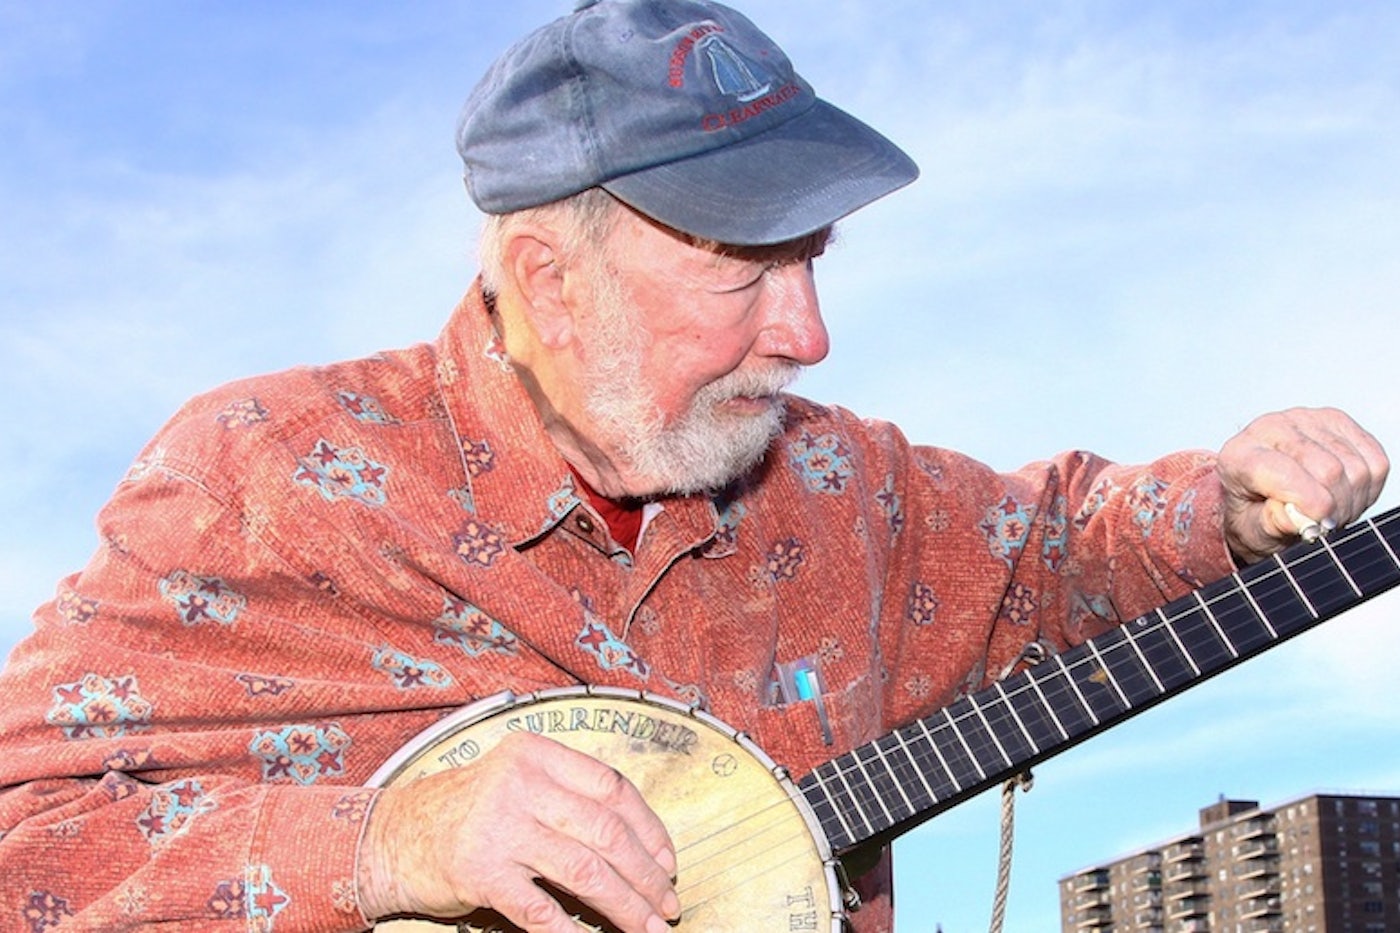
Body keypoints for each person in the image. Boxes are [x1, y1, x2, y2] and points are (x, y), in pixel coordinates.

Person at [0, 1, 1387, 932]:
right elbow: (24, 845)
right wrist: (382, 844)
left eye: (814, 260)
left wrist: (1226, 507)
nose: (809, 334)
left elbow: (1061, 550)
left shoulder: (843, 491)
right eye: (744, 271)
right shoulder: (267, 478)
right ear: (551, 277)